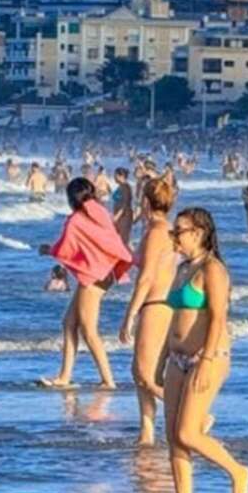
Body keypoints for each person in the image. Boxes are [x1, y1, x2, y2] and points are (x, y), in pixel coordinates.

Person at [162, 207, 248, 493]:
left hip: (207, 356)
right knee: (173, 435)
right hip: (177, 358)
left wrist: (208, 360)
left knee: (188, 432)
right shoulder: (183, 268)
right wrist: (163, 358)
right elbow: (175, 317)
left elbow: (217, 319)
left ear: (198, 233)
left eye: (179, 231)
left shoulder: (213, 270)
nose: (174, 237)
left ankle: (237, 471)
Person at [39, 178, 133, 390]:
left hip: (94, 275)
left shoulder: (75, 220)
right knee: (69, 323)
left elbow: (65, 248)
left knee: (89, 330)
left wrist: (48, 250)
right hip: (107, 271)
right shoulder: (100, 212)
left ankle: (108, 381)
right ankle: (64, 376)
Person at [119, 177, 177, 446]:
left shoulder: (157, 232)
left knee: (143, 373)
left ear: (145, 200)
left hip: (155, 306)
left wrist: (129, 315)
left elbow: (146, 278)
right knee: (141, 372)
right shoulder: (166, 229)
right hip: (164, 305)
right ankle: (147, 431)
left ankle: (194, 415)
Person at [112, 168, 134, 244]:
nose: (114, 177)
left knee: (124, 241)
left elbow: (125, 203)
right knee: (119, 240)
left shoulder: (125, 187)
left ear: (121, 176)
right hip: (120, 216)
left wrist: (117, 216)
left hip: (124, 216)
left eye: (115, 175)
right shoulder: (120, 186)